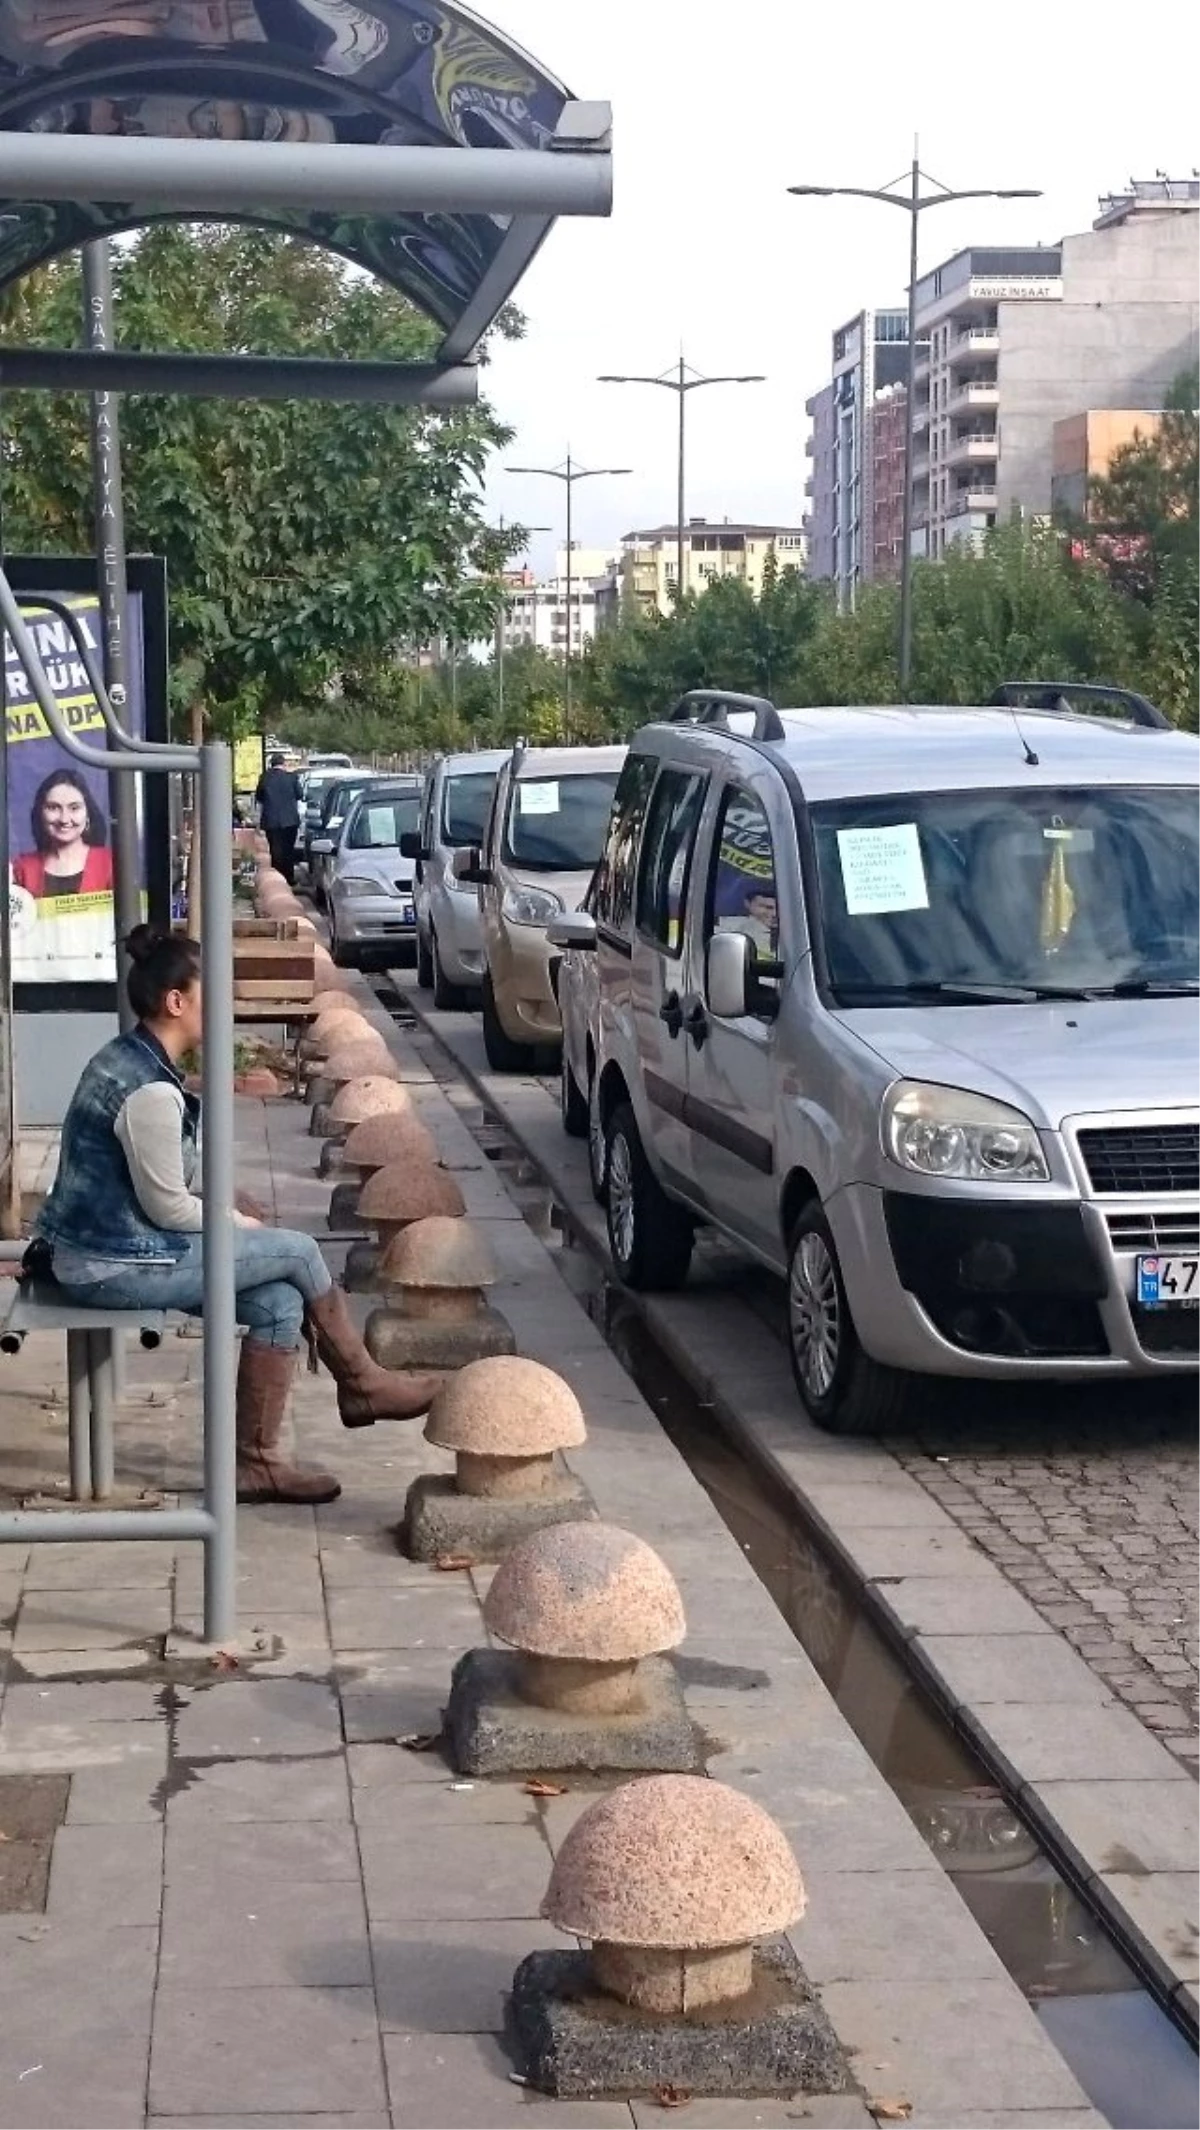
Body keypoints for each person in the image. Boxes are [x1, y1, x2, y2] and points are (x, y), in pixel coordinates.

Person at [37, 926, 439, 1507]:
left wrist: (228, 1208)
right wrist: (237, 1222)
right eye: (211, 993)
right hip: (111, 1262)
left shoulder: (132, 1059)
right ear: (176, 1002)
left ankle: (258, 1465)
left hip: (111, 1248)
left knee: (280, 1303)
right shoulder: (149, 1089)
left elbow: (154, 1184)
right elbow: (168, 1207)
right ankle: (361, 1382)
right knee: (297, 1250)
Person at [12, 769, 114, 899]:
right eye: (53, 807)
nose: (64, 819)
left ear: (88, 814)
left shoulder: (111, 863)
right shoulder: (21, 869)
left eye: (74, 808)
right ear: (40, 813)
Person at [255, 752, 303, 883]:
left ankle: (277, 877)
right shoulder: (292, 777)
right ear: (283, 763)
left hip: (271, 819)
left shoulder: (265, 778)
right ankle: (289, 877)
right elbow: (300, 794)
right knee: (288, 849)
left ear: (271, 764)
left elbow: (259, 796)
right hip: (290, 820)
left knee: (275, 849)